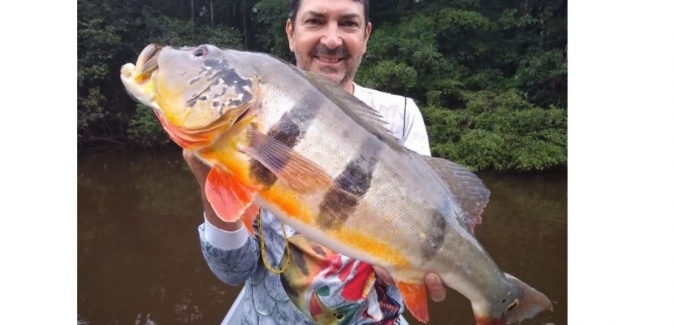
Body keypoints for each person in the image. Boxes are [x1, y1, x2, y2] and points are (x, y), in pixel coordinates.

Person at [184, 0, 447, 323]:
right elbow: (234, 270)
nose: (332, 39)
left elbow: (431, 227)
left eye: (348, 24)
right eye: (316, 21)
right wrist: (207, 177)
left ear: (366, 35)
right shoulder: (244, 118)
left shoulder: (400, 117)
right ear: (291, 32)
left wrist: (410, 261)